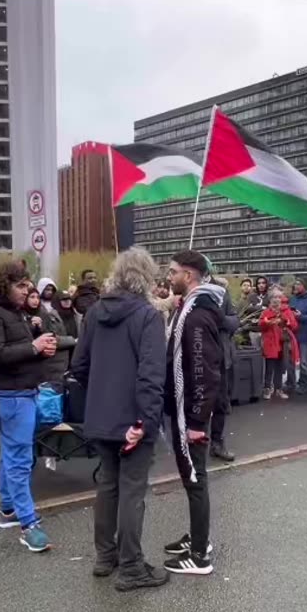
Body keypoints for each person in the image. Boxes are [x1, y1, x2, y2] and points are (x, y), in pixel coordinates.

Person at [68, 247, 169, 591]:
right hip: (134, 418)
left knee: (108, 485)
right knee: (131, 491)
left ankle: (105, 556)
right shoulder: (148, 316)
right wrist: (145, 421)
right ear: (147, 277)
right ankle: (131, 566)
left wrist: (100, 392)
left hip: (101, 415)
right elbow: (152, 375)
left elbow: (78, 365)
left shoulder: (95, 312)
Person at [0, 257, 58, 553]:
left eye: (28, 284)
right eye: (21, 285)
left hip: (20, 392)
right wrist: (33, 347)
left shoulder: (11, 310)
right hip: (10, 396)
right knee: (20, 459)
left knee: (11, 453)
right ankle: (28, 523)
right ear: (4, 285)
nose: (27, 290)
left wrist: (39, 351)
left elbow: (13, 350)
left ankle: (8, 510)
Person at [161, 250, 224, 576]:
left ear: (189, 276)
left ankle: (200, 555)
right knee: (191, 479)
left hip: (192, 416)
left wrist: (197, 421)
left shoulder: (197, 316)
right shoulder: (188, 309)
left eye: (173, 272)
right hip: (185, 410)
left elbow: (204, 370)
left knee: (195, 479)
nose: (168, 277)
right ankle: (199, 537)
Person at [209, 277, 240, 463]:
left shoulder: (222, 293)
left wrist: (221, 319)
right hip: (199, 357)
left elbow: (234, 321)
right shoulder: (192, 293)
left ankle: (217, 444)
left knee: (220, 403)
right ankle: (192, 445)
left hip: (221, 357)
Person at [259, 289, 299, 400]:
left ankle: (278, 389)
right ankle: (267, 388)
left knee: (280, 368)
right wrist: (268, 323)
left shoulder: (286, 312)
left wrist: (287, 322)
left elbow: (294, 326)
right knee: (269, 368)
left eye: (278, 297)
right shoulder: (266, 312)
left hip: (282, 344)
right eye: (274, 297)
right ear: (270, 299)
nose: (276, 300)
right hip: (271, 344)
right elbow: (261, 326)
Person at [287, 280, 307, 395]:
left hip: (306, 336)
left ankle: (305, 384)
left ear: (304, 286)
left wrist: (301, 317)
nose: (296, 286)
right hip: (292, 335)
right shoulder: (292, 299)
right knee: (289, 361)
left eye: (299, 284)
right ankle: (290, 383)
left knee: (304, 363)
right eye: (295, 284)